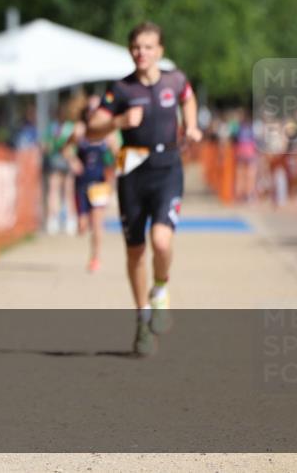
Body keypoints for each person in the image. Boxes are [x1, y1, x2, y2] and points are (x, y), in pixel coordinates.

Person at [88, 21, 202, 356]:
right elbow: (93, 129)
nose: (142, 53)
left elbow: (189, 98)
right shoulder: (121, 90)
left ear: (160, 51)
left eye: (149, 47)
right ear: (130, 50)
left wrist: (191, 126)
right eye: (137, 47)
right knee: (135, 251)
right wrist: (118, 122)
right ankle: (142, 318)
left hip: (167, 168)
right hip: (132, 172)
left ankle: (161, 289)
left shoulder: (174, 80)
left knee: (162, 240)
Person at [63, 95, 118, 273]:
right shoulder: (80, 131)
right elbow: (65, 149)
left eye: (97, 110)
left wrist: (113, 169)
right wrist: (73, 162)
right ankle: (82, 223)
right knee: (82, 225)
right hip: (81, 182)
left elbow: (119, 156)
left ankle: (95, 257)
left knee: (97, 223)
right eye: (90, 110)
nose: (93, 113)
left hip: (99, 183)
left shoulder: (108, 134)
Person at [44, 96, 82, 235]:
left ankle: (64, 220)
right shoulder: (57, 127)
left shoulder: (59, 128)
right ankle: (57, 219)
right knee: (58, 191)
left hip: (65, 161)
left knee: (65, 191)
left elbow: (47, 146)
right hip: (59, 161)